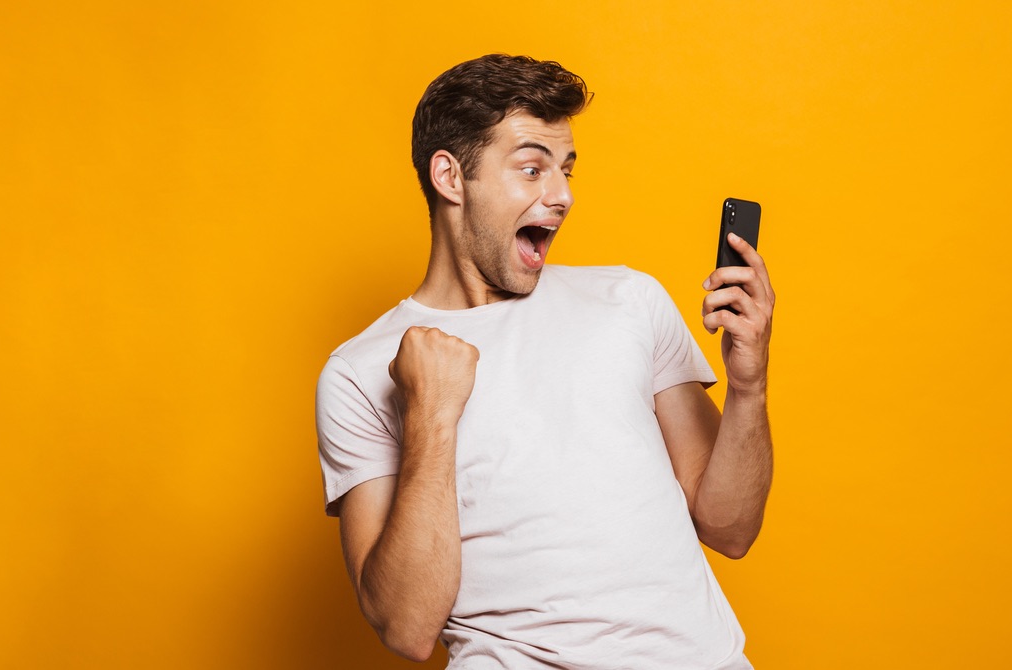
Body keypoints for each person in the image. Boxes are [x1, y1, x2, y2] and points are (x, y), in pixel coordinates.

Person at [316, 54, 775, 669]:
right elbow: (406, 627)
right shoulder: (360, 372)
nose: (561, 197)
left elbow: (730, 529)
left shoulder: (629, 300)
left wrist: (749, 385)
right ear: (450, 178)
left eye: (565, 171)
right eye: (531, 169)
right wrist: (430, 414)